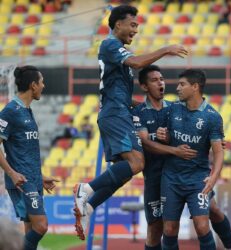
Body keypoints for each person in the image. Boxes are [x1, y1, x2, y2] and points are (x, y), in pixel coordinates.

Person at [72, 4, 188, 241]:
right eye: (133, 24)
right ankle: (87, 189)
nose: (136, 29)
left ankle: (89, 207)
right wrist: (165, 49)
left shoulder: (115, 49)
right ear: (118, 25)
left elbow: (118, 89)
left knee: (123, 173)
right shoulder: (111, 44)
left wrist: (136, 104)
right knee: (137, 162)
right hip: (115, 115)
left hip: (118, 111)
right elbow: (136, 63)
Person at [133, 65, 231, 250]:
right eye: (155, 80)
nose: (174, 87)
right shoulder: (166, 110)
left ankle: (230, 247)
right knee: (164, 228)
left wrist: (216, 152)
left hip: (196, 176)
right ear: (144, 86)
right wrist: (166, 137)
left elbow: (218, 149)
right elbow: (148, 130)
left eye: (181, 84)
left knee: (208, 218)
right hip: (165, 177)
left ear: (194, 87)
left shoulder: (206, 115)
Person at [0, 65, 58, 250]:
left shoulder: (27, 111)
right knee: (41, 226)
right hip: (21, 181)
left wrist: (39, 178)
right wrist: (12, 173)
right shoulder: (11, 111)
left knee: (30, 229)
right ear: (33, 85)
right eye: (41, 82)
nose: (44, 85)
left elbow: (25, 151)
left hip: (32, 179)